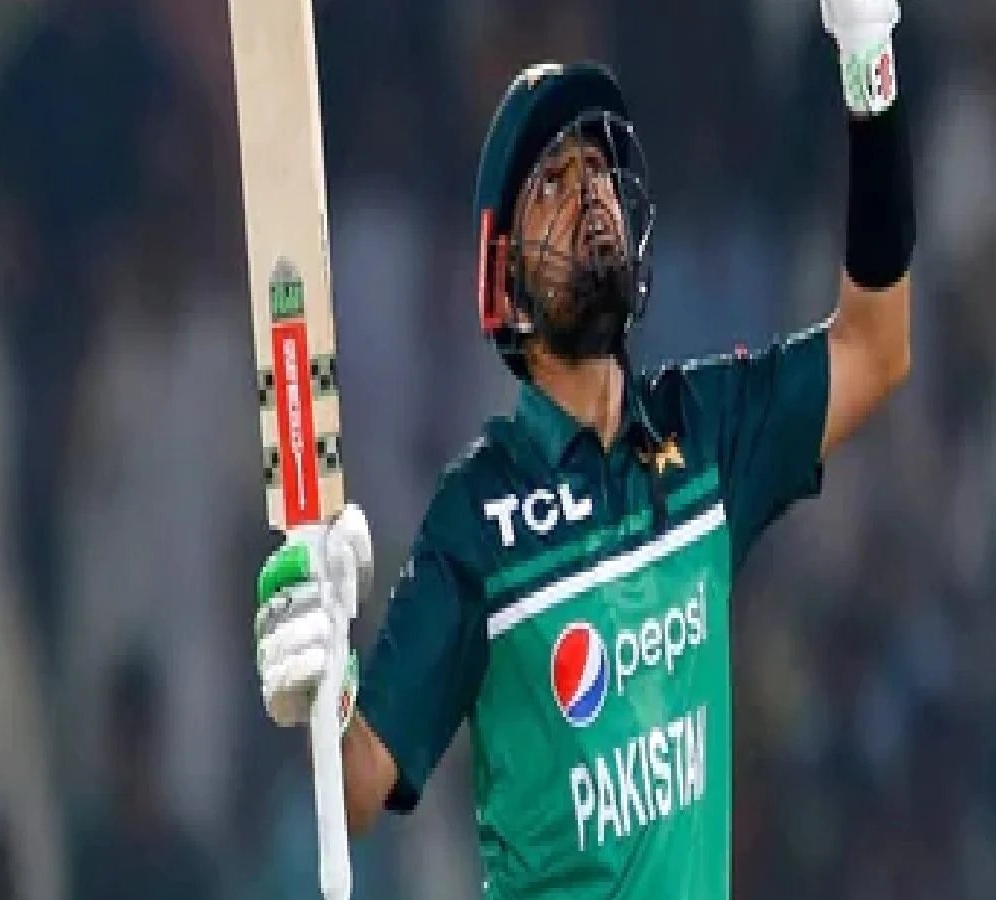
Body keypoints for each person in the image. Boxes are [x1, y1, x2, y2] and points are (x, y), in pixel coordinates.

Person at [252, 0, 914, 894]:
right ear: (504, 279)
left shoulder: (705, 433)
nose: (590, 191)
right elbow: (360, 786)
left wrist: (868, 61)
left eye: (598, 169)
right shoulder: (479, 516)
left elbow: (876, 345)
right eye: (553, 184)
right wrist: (320, 682)